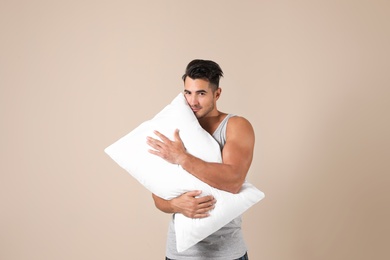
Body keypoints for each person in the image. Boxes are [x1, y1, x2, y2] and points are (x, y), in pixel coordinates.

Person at [146, 59, 255, 260]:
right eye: (188, 93)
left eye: (201, 93)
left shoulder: (235, 126)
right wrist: (176, 205)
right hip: (179, 254)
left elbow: (233, 181)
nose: (193, 101)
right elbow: (158, 197)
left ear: (217, 94)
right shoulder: (174, 129)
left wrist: (182, 157)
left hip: (226, 254)